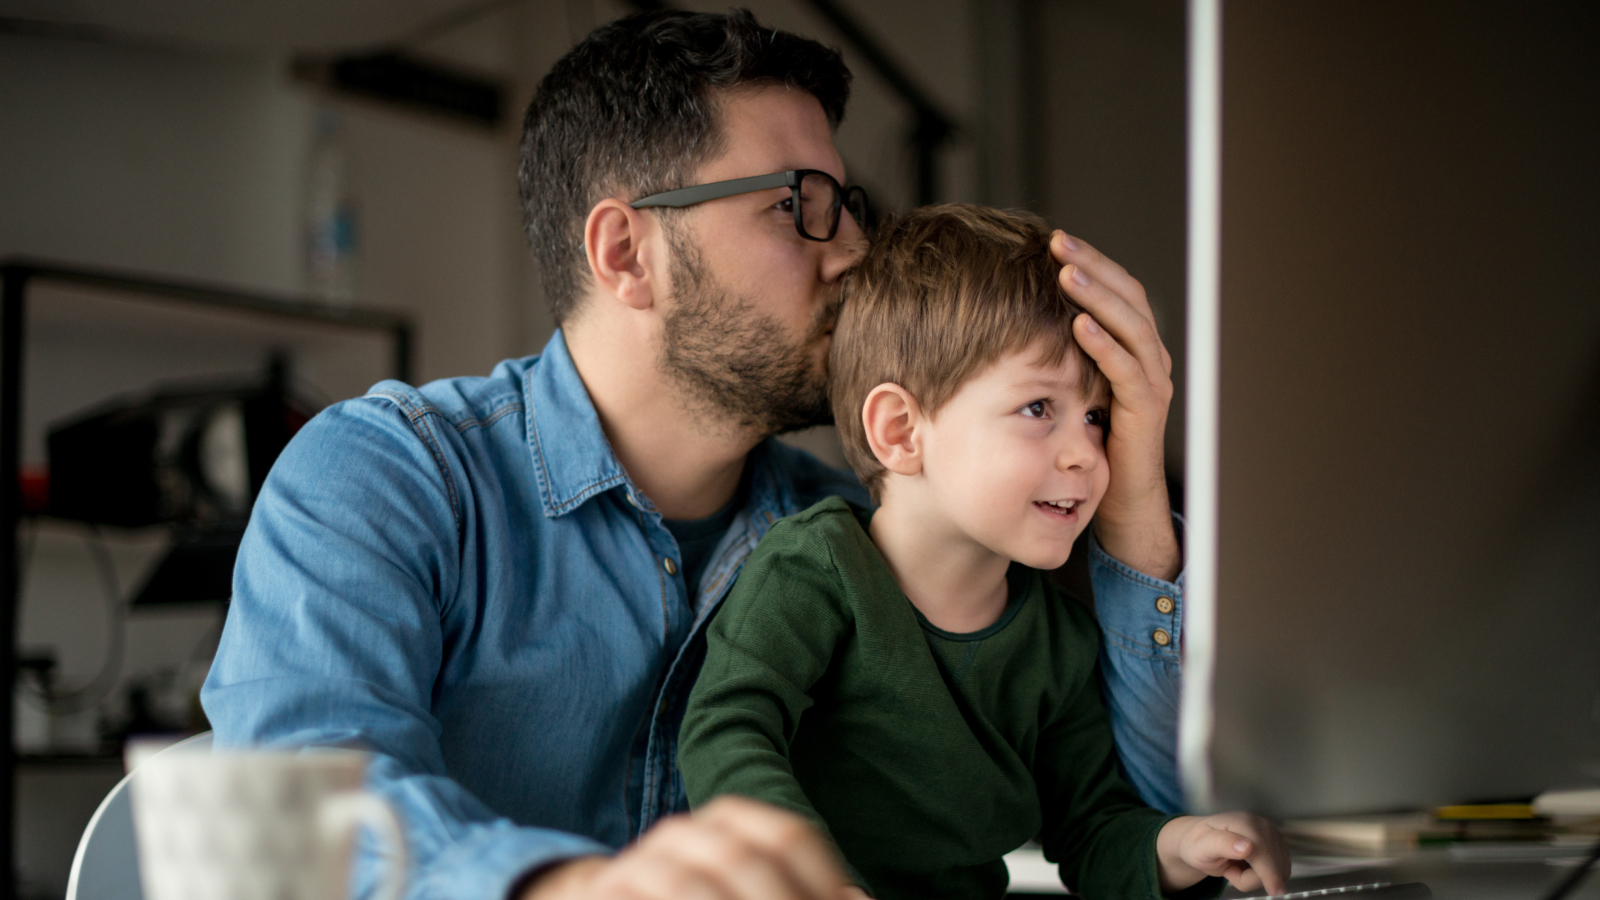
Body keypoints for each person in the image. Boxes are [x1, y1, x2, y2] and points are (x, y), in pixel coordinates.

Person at [201, 10, 1190, 900]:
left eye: (847, 205)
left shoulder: (862, 534)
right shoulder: (389, 480)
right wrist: (568, 889)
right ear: (626, 252)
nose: (848, 252)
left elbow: (1145, 810)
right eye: (795, 204)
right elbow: (293, 826)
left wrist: (1134, 487)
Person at [678, 206, 1286, 900]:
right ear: (900, 430)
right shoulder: (812, 569)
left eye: (1095, 417)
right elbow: (725, 731)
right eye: (1038, 408)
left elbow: (1093, 830)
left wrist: (1183, 843)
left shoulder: (1057, 641)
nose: (1085, 454)